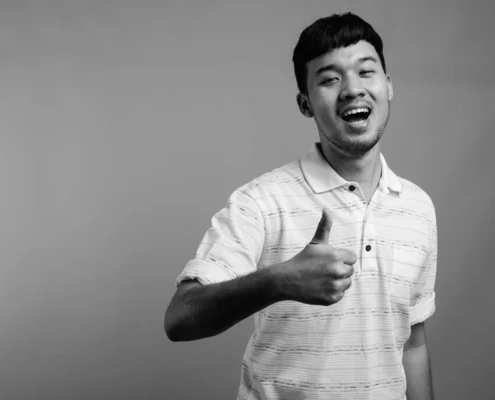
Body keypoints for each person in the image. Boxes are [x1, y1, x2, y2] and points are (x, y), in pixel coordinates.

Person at [164, 12, 437, 400]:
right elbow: (180, 318)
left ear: (388, 86)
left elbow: (412, 343)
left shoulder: (417, 207)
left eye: (365, 71)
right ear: (305, 103)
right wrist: (279, 281)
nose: (351, 89)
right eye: (329, 79)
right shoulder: (259, 201)